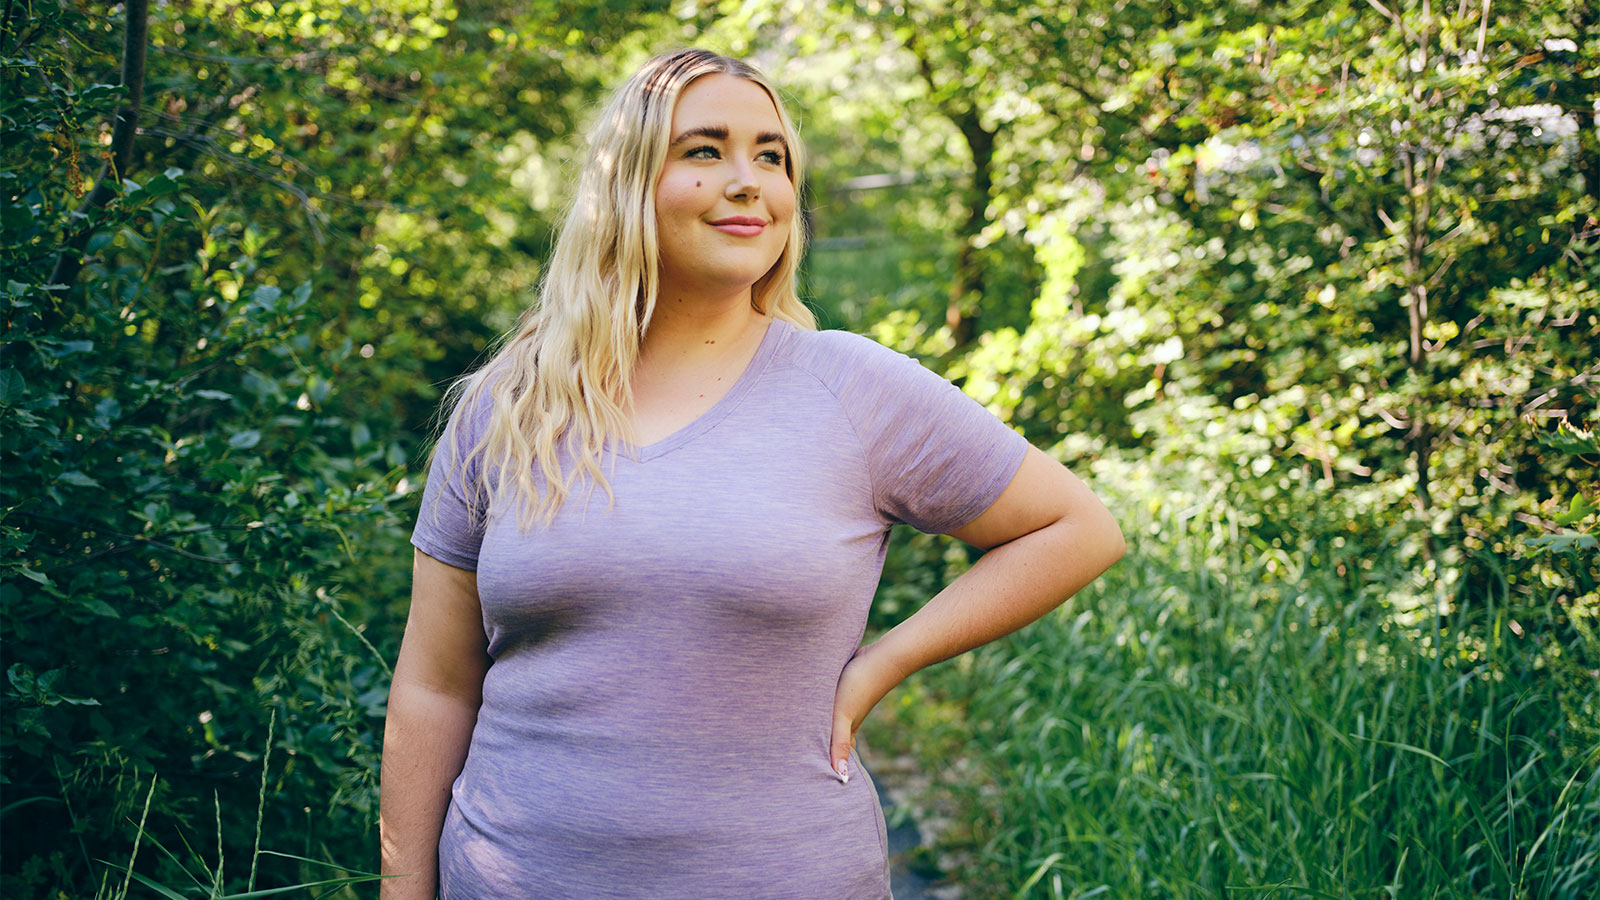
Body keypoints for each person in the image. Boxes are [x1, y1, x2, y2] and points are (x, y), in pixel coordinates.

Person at [379, 48, 1125, 900]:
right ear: (626, 182)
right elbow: (434, 686)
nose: (750, 182)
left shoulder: (850, 387)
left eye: (771, 157)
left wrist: (884, 663)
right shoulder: (508, 405)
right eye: (705, 150)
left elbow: (1078, 529)